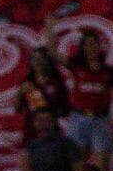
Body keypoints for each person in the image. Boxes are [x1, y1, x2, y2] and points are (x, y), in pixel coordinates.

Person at [47, 22, 113, 163]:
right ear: (83, 47)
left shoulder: (107, 71)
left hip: (100, 120)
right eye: (87, 44)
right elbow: (52, 53)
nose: (91, 47)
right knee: (77, 162)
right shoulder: (77, 65)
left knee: (102, 164)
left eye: (94, 44)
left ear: (99, 46)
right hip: (79, 118)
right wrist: (50, 25)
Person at [16, 47, 69, 142]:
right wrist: (20, 94)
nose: (37, 62)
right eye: (34, 59)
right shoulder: (28, 81)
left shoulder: (56, 82)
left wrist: (36, 94)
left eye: (41, 58)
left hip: (51, 131)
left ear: (47, 60)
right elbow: (17, 109)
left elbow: (63, 110)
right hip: (31, 130)